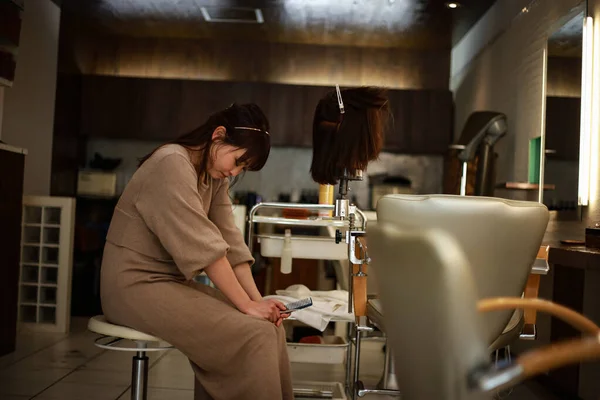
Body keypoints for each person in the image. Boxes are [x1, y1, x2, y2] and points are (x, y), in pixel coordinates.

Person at [100, 103, 294, 400]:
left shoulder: (212, 175)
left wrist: (259, 303)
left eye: (243, 168)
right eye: (238, 161)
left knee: (269, 329)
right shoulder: (171, 163)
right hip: (131, 286)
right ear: (218, 135)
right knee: (253, 336)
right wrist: (245, 305)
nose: (235, 171)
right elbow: (205, 248)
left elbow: (230, 243)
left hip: (168, 284)